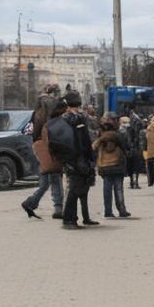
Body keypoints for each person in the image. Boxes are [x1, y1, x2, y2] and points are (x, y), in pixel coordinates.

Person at [21, 84, 65, 220]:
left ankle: (30, 203)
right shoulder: (53, 110)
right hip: (50, 146)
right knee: (56, 177)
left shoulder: (36, 113)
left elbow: (29, 131)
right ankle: (58, 208)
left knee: (46, 180)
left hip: (39, 148)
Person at [55, 91, 98, 229]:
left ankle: (78, 218)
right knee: (74, 189)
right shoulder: (72, 119)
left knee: (80, 187)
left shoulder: (74, 118)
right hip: (75, 159)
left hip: (78, 157)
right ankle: (69, 220)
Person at [93, 114, 131, 218]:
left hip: (104, 165)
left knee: (107, 188)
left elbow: (94, 150)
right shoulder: (118, 135)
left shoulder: (99, 136)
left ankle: (108, 211)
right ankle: (122, 210)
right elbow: (125, 147)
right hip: (117, 164)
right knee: (118, 188)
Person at [122, 115, 144, 189]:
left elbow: (125, 144)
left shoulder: (126, 133)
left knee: (131, 169)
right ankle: (135, 182)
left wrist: (126, 152)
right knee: (136, 169)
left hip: (130, 153)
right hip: (135, 153)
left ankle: (132, 182)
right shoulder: (136, 133)